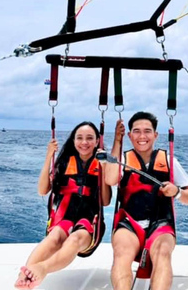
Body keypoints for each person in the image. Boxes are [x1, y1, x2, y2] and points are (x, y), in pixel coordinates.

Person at [103, 112, 188, 290]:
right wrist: (117, 141)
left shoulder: (169, 161)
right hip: (129, 223)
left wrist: (176, 192)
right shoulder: (122, 159)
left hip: (161, 224)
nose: (142, 136)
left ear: (155, 135)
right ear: (129, 135)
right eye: (136, 131)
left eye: (147, 131)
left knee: (162, 254)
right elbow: (110, 179)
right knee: (121, 252)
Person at [15, 121, 111, 289]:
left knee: (74, 239)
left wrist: (104, 170)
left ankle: (42, 268)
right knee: (55, 236)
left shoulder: (102, 165)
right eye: (80, 138)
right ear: (73, 141)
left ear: (97, 142)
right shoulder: (64, 163)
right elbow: (42, 190)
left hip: (89, 223)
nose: (84, 142)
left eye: (90, 138)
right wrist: (48, 156)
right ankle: (24, 275)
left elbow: (105, 201)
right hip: (64, 218)